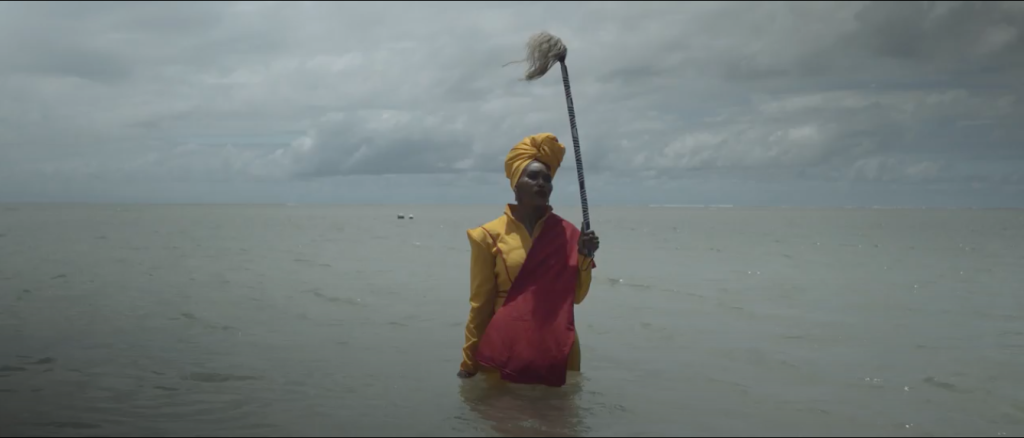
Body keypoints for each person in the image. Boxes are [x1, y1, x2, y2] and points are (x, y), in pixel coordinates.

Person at [457, 132, 600, 387]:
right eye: (532, 176)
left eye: (547, 178)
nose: (541, 183)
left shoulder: (569, 235)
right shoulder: (487, 236)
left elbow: (576, 296)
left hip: (558, 346)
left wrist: (584, 257)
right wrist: (469, 362)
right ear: (515, 183)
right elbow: (480, 306)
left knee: (561, 424)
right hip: (506, 348)